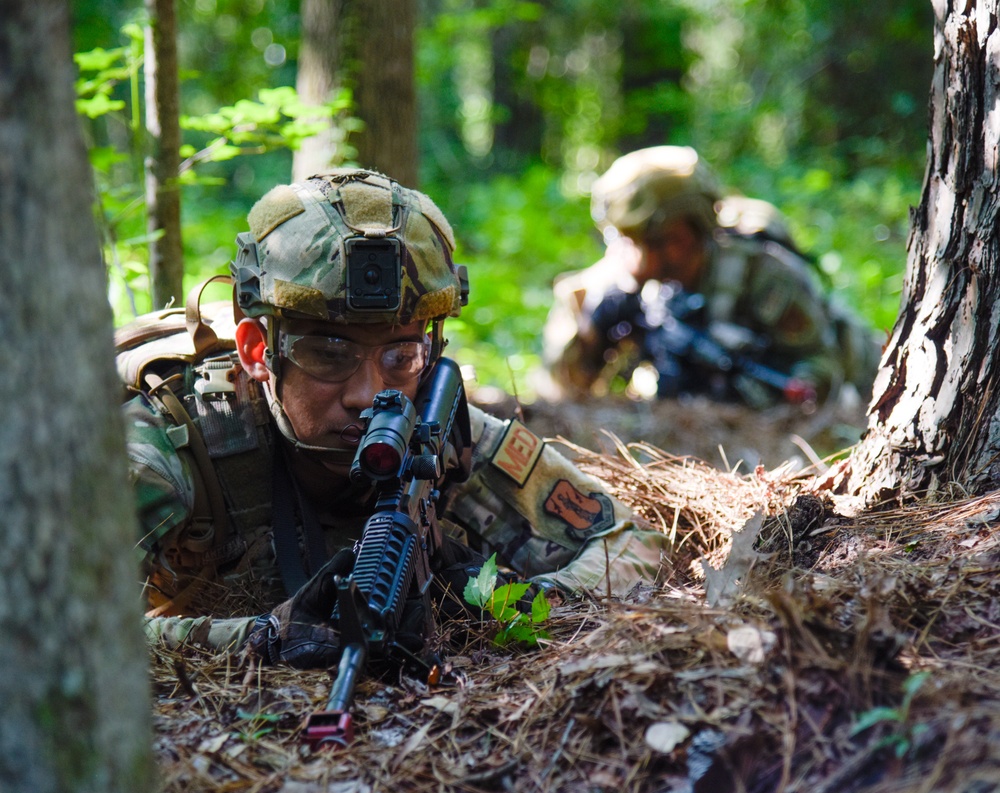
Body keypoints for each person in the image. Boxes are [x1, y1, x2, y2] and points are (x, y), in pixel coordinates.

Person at [125, 169, 668, 667]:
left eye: (400, 356)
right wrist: (259, 638)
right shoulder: (175, 444)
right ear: (255, 350)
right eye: (330, 353)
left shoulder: (439, 431)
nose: (368, 395)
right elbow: (58, 626)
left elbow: (631, 542)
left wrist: (525, 607)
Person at [542, 145, 883, 408]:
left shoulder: (763, 276)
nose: (633, 255)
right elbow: (559, 388)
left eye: (652, 240)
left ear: (687, 234)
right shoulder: (616, 282)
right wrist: (592, 329)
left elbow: (822, 368)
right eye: (625, 239)